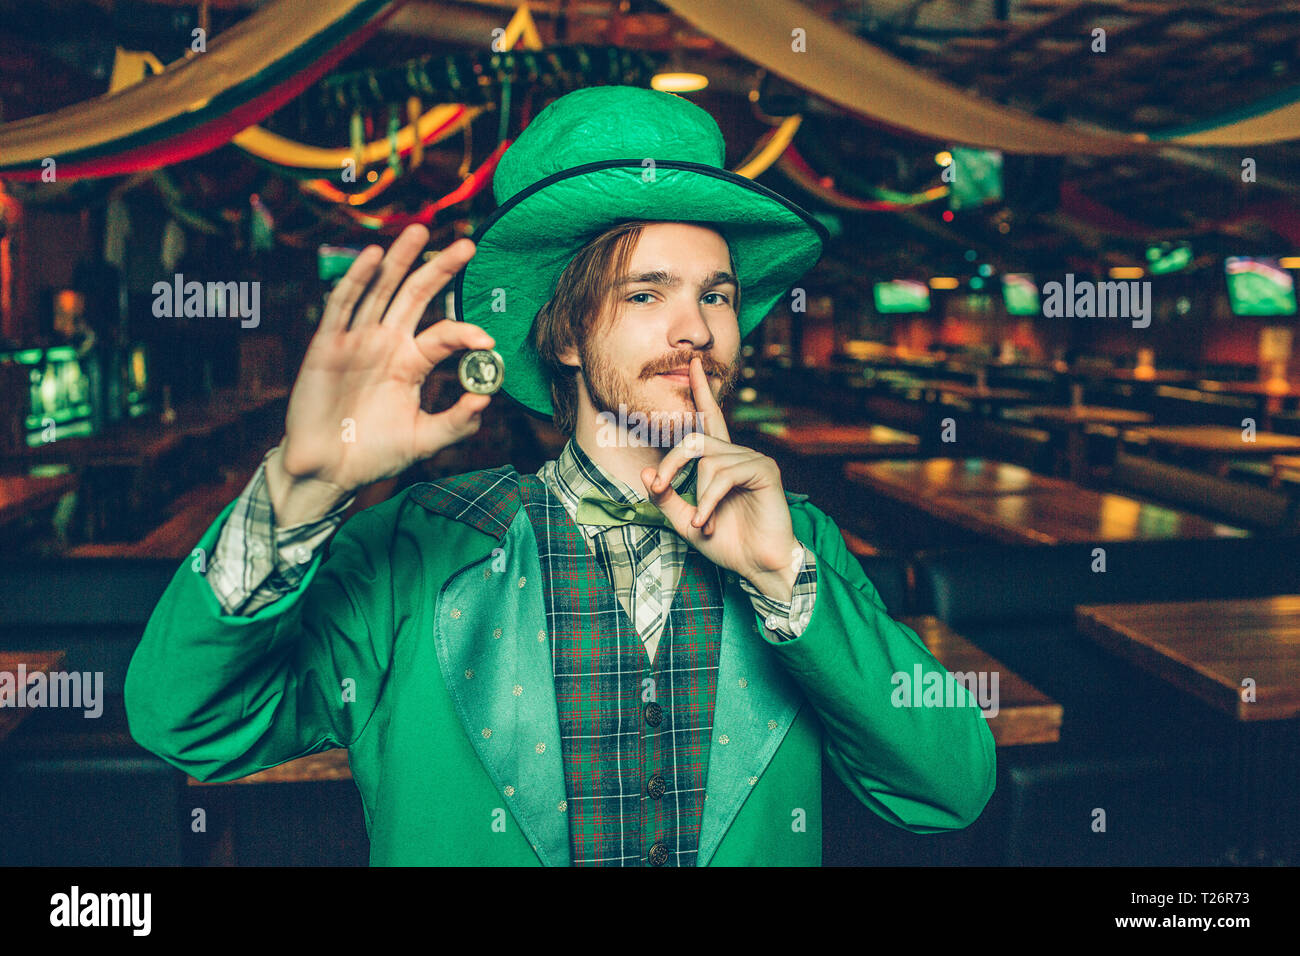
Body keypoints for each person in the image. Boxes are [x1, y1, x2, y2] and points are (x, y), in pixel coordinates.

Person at [126, 85, 994, 866]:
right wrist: (299, 495)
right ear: (567, 337)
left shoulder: (796, 542)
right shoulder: (421, 546)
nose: (694, 327)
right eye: (646, 294)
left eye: (717, 295)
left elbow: (951, 789)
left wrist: (783, 582)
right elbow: (186, 723)